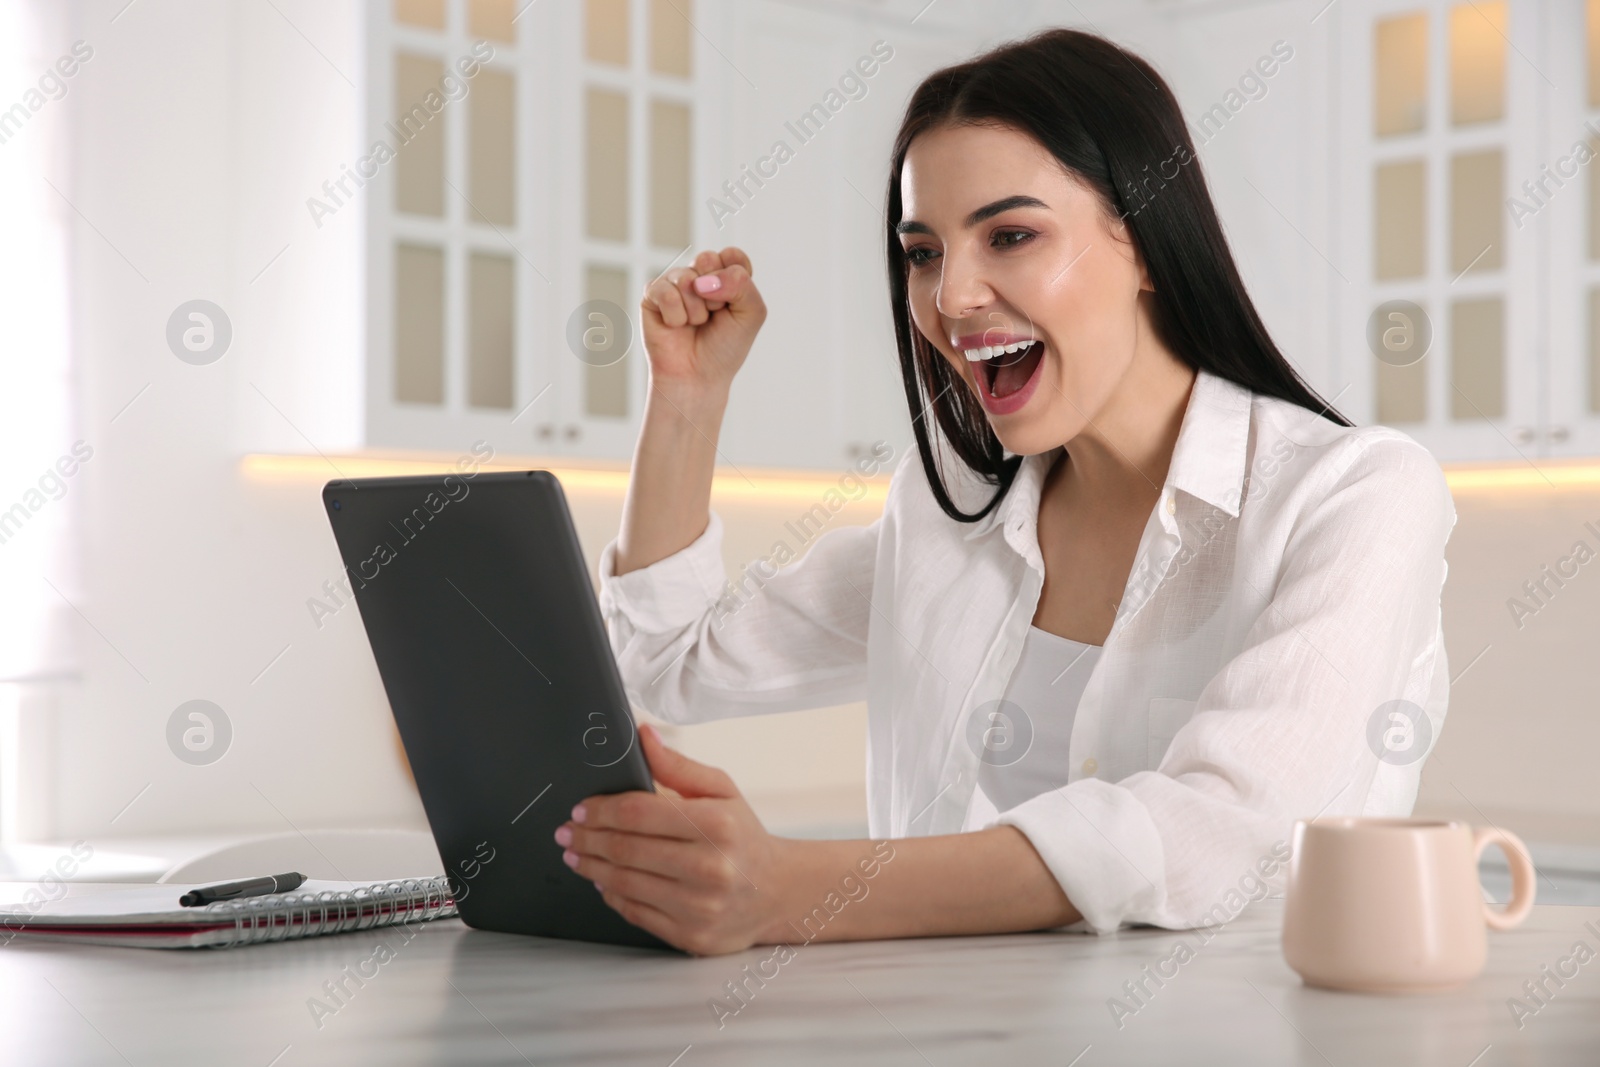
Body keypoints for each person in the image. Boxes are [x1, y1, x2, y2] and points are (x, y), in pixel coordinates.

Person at [550, 28, 1457, 957]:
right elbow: (667, 660)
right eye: (923, 252)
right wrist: (688, 397)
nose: (951, 296)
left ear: (1145, 241)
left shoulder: (1354, 495)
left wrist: (792, 891)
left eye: (1010, 235)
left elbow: (1214, 832)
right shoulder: (945, 515)